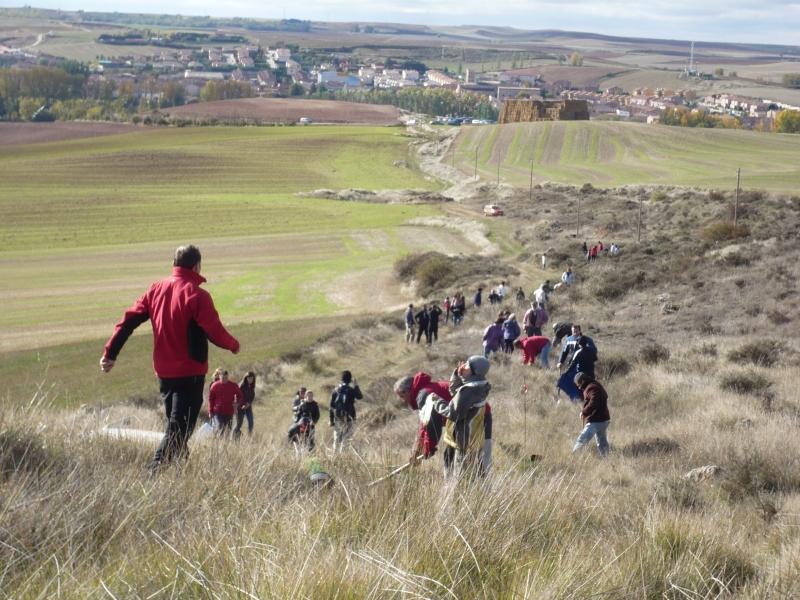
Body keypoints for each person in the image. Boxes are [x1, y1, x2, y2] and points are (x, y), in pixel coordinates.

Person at [100, 244, 240, 471]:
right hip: (190, 372)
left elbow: (128, 321)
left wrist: (110, 353)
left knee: (177, 426)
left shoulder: (156, 289)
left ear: (174, 263)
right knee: (180, 427)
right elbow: (214, 332)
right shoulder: (197, 295)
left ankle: (182, 471)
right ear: (197, 266)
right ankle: (154, 471)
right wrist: (234, 345)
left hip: (164, 372)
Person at [431, 356, 492, 478]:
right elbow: (455, 393)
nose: (464, 366)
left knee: (460, 475)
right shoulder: (479, 386)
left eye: (468, 365)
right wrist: (457, 375)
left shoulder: (468, 391)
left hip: (463, 439)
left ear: (475, 371)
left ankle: (456, 493)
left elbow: (454, 414)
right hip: (470, 438)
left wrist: (437, 401)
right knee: (468, 471)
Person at [394, 372, 452, 461]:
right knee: (450, 457)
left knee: (450, 459)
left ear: (408, 391)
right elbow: (424, 425)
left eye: (402, 396)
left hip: (466, 419)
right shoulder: (423, 391)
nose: (403, 401)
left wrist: (429, 447)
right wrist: (417, 452)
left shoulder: (424, 395)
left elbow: (432, 423)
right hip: (465, 419)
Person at [572, 372, 610, 456]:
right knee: (602, 441)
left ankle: (573, 458)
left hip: (596, 420)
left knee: (582, 440)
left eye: (578, 385)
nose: (578, 387)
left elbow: (594, 401)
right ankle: (607, 459)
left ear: (582, 381)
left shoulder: (592, 387)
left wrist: (584, 412)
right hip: (603, 420)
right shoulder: (594, 385)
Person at [329, 370, 362, 452]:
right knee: (347, 437)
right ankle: (343, 454)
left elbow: (331, 407)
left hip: (338, 417)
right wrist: (356, 385)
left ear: (341, 379)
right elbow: (360, 396)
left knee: (337, 438)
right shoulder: (350, 390)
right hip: (349, 417)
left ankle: (335, 457)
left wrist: (331, 420)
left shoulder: (336, 391)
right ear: (350, 380)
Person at [208, 370, 243, 436]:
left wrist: (237, 403)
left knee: (228, 429)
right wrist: (210, 411)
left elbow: (240, 396)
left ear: (228, 377)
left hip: (229, 411)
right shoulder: (214, 385)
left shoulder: (233, 385)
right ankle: (218, 441)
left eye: (226, 378)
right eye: (222, 378)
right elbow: (210, 399)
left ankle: (224, 443)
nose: (224, 380)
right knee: (220, 426)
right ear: (219, 377)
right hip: (217, 411)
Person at [234, 371, 256, 438]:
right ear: (246, 378)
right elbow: (238, 396)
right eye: (249, 378)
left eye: (252, 379)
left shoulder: (252, 386)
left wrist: (249, 403)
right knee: (239, 424)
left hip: (248, 407)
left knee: (251, 422)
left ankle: (249, 436)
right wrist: (242, 405)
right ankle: (234, 436)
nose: (250, 380)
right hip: (240, 408)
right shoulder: (241, 386)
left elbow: (252, 396)